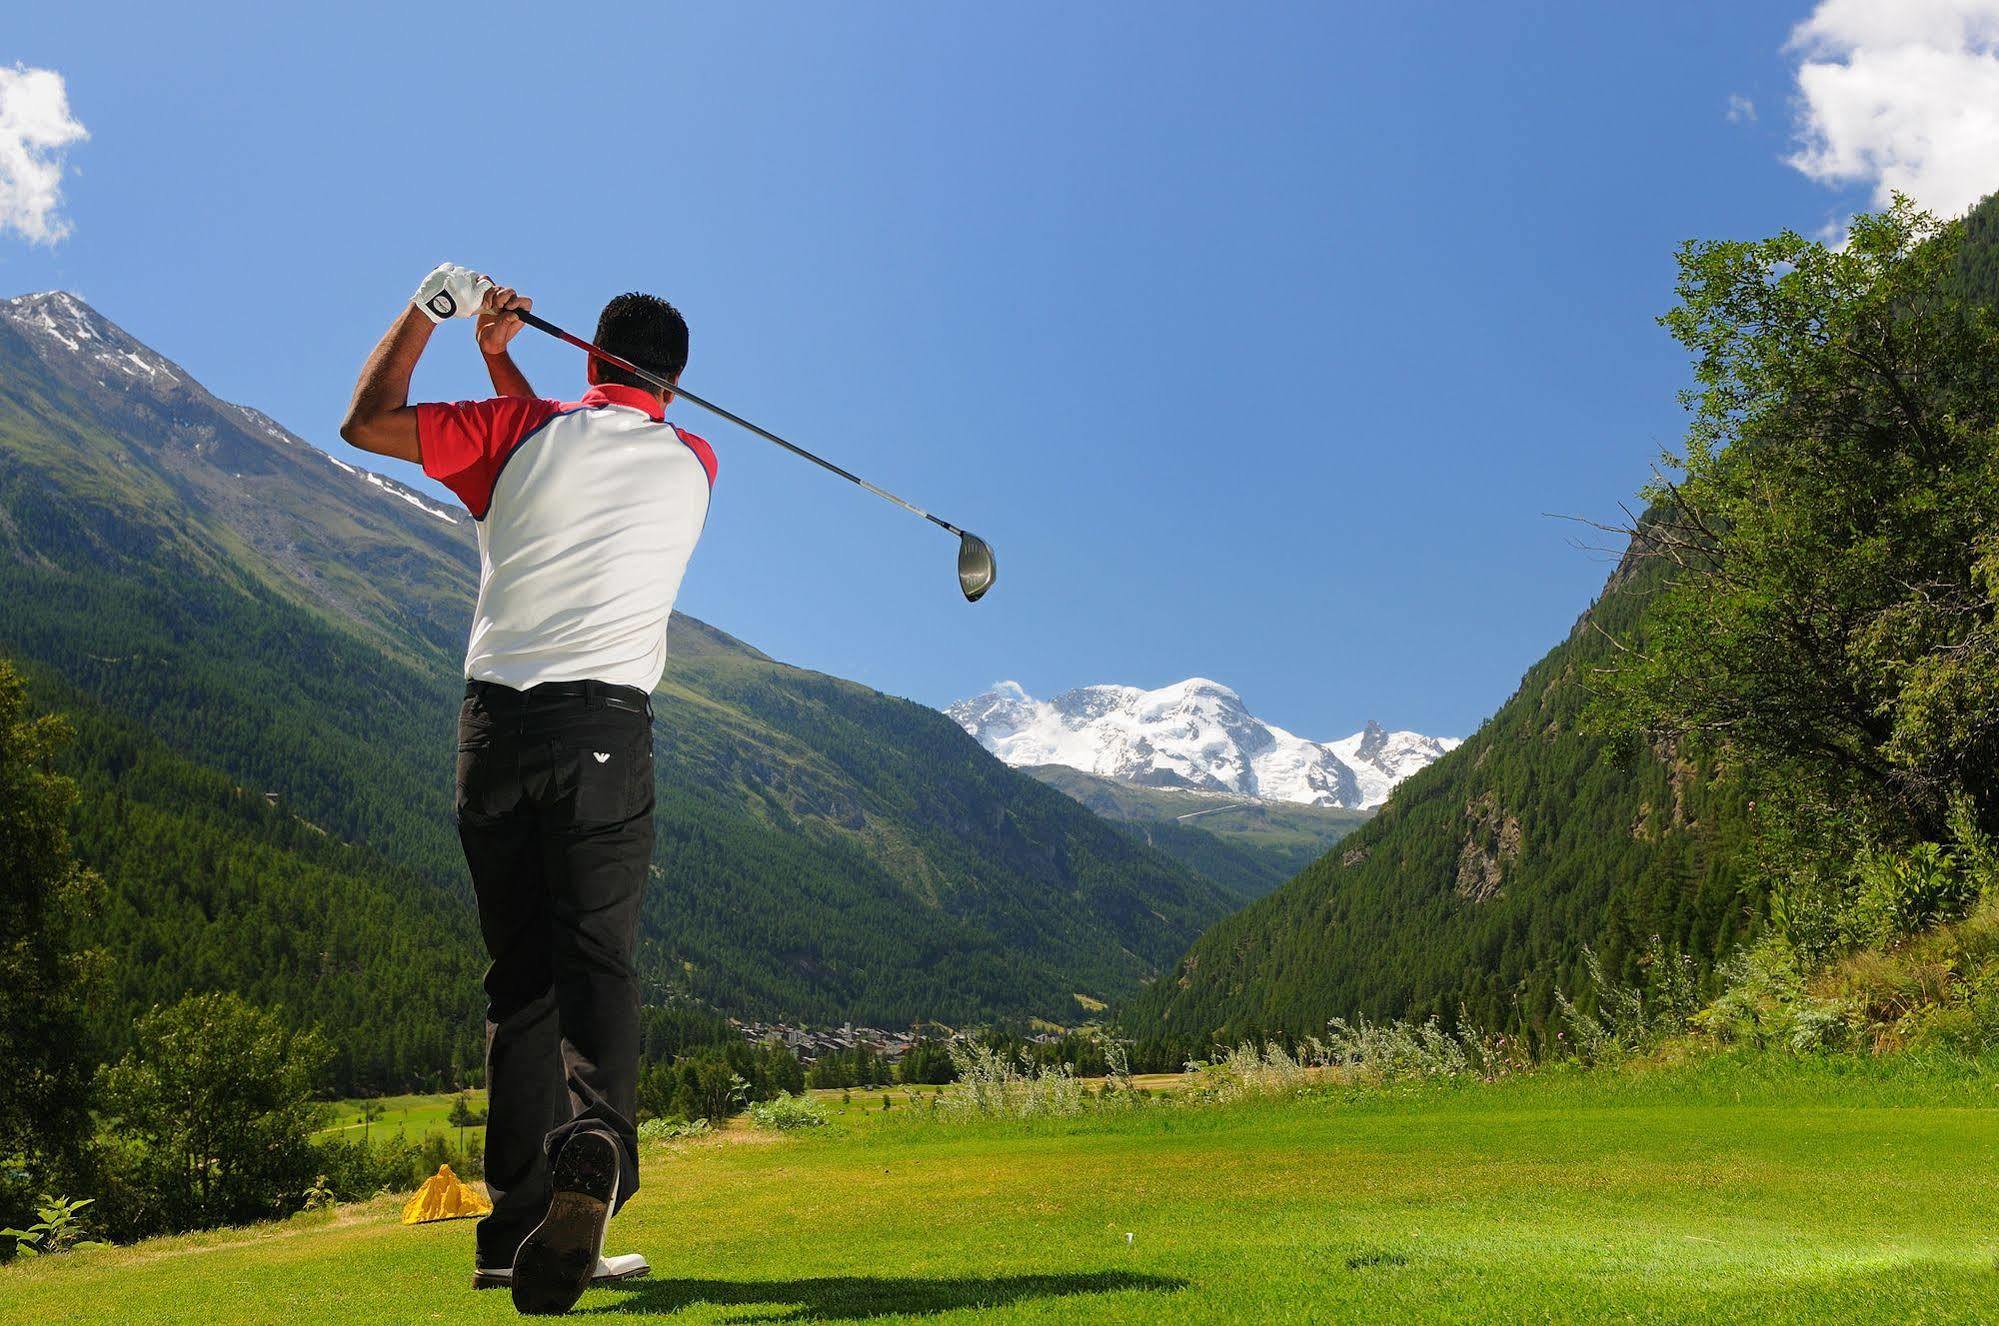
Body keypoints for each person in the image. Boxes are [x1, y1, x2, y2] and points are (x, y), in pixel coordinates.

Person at [341, 263, 717, 1315]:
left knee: (520, 986)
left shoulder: (519, 439)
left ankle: (509, 1238)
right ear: (674, 389)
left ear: (586, 356)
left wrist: (437, 313)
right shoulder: (698, 460)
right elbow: (574, 446)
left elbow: (368, 422)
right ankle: (593, 1151)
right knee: (595, 961)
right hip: (604, 735)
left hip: (493, 735)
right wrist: (507, 366)